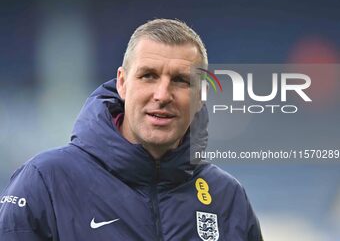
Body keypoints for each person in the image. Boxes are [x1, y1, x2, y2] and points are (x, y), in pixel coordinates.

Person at [0, 19, 263, 241]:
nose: (162, 95)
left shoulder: (228, 197)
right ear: (122, 84)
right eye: (148, 75)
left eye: (181, 80)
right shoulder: (46, 181)